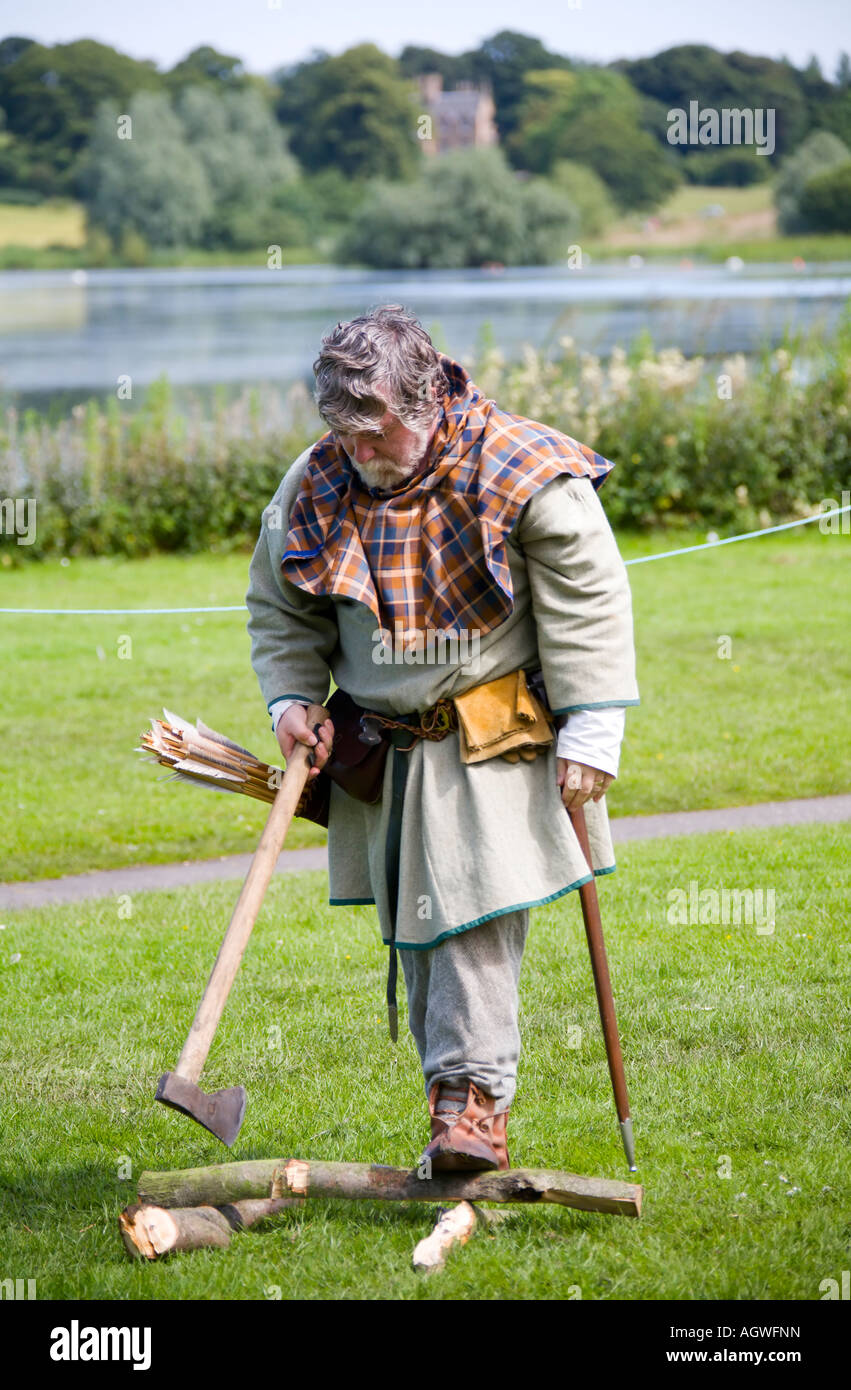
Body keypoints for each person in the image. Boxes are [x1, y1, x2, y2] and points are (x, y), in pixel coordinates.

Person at [245, 305, 638, 1173]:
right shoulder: (315, 481)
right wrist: (289, 698)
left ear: (423, 402)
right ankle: (454, 1104)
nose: (359, 454)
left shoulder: (523, 467)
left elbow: (591, 600)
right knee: (421, 930)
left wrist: (595, 726)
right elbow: (280, 605)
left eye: (375, 434)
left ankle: (471, 1111)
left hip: (497, 732)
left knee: (467, 914)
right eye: (344, 436)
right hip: (380, 751)